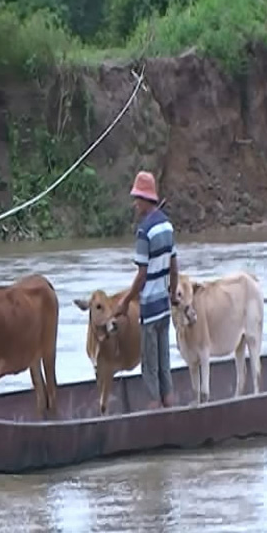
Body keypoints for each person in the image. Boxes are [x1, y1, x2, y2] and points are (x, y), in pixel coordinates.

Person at [114, 171, 178, 410]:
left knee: (149, 367)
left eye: (137, 199)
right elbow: (174, 264)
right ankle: (170, 408)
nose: (135, 204)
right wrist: (172, 292)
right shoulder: (167, 226)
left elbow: (141, 276)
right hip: (164, 307)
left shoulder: (144, 232)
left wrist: (125, 302)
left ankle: (154, 411)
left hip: (149, 310)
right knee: (164, 364)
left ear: (145, 199)